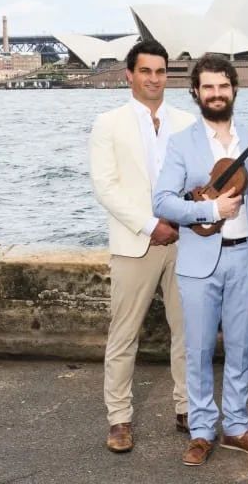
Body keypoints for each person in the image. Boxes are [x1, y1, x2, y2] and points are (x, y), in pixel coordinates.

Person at [153, 54, 248, 467]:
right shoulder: (181, 142)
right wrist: (210, 211)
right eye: (207, 86)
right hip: (198, 262)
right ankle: (202, 430)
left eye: (223, 86)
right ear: (195, 92)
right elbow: (163, 200)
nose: (216, 93)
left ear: (233, 90)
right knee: (199, 349)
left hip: (246, 258)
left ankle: (238, 427)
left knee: (243, 348)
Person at [89, 40, 194, 453]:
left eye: (161, 71)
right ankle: (119, 419)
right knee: (123, 334)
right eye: (146, 71)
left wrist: (186, 218)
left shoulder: (187, 122)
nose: (154, 79)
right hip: (136, 242)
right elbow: (106, 187)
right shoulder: (108, 124)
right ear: (128, 74)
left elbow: (196, 178)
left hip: (184, 240)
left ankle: (187, 408)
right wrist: (151, 225)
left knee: (188, 331)